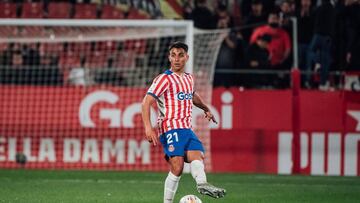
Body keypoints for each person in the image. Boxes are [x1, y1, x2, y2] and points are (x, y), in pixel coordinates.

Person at [141, 41, 226, 203]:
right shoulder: (164, 79)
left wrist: (205, 107)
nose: (177, 59)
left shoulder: (188, 78)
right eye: (173, 55)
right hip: (170, 128)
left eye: (180, 55)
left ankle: (202, 184)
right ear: (169, 58)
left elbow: (192, 95)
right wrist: (148, 127)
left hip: (186, 129)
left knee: (197, 156)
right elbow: (146, 102)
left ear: (187, 57)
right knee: (178, 167)